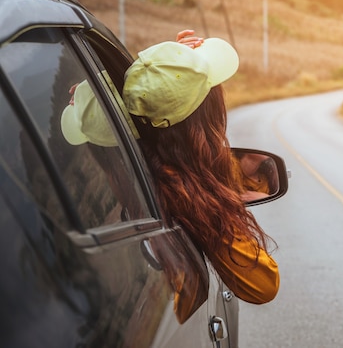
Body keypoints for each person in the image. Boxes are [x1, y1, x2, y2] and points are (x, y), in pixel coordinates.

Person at [61, 30, 279, 305]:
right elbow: (265, 285)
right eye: (213, 96)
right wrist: (179, 69)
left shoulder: (84, 200)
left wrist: (171, 68)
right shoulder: (183, 192)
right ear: (206, 118)